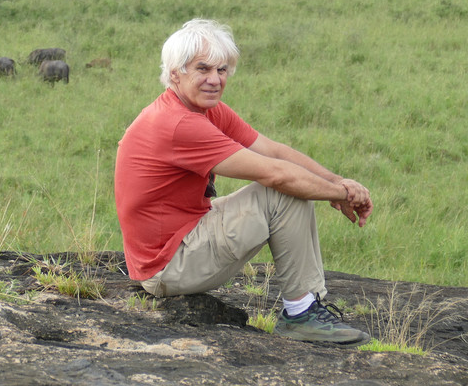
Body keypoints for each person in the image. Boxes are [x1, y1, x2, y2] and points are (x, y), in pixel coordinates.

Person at [114, 18, 373, 346]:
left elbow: (274, 151)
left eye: (222, 70)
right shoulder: (179, 124)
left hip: (173, 245)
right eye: (203, 69)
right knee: (281, 193)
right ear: (175, 73)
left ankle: (305, 309)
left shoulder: (204, 110)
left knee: (287, 186)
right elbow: (274, 173)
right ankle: (301, 314)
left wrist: (339, 183)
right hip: (168, 266)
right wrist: (339, 193)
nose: (214, 80)